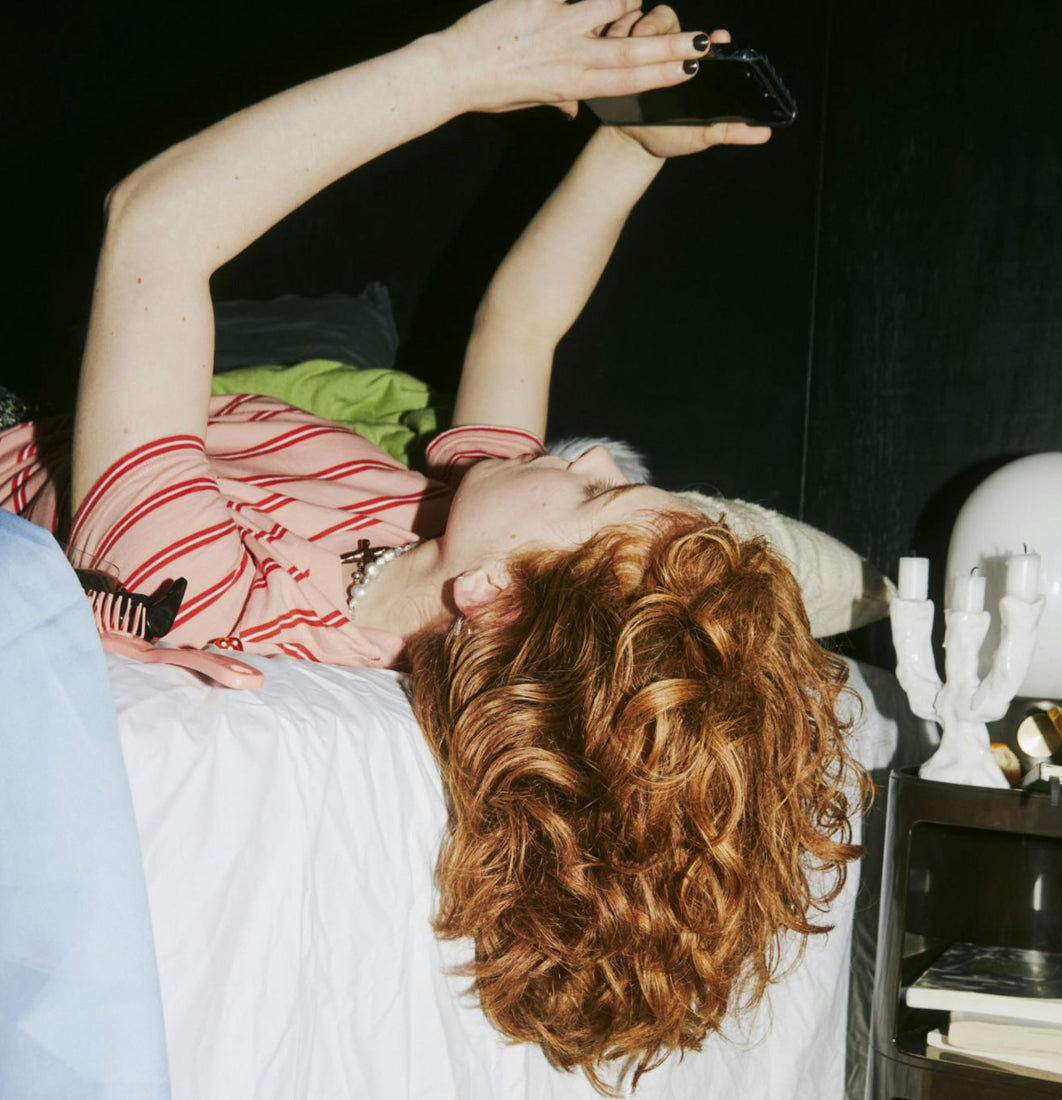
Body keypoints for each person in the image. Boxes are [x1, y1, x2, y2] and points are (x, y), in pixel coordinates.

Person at [0, 0, 869, 1090]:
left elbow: (154, 225)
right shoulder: (452, 532)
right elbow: (518, 325)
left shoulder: (204, 588)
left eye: (596, 494)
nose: (589, 457)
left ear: (499, 594)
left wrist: (454, 68)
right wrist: (630, 141)